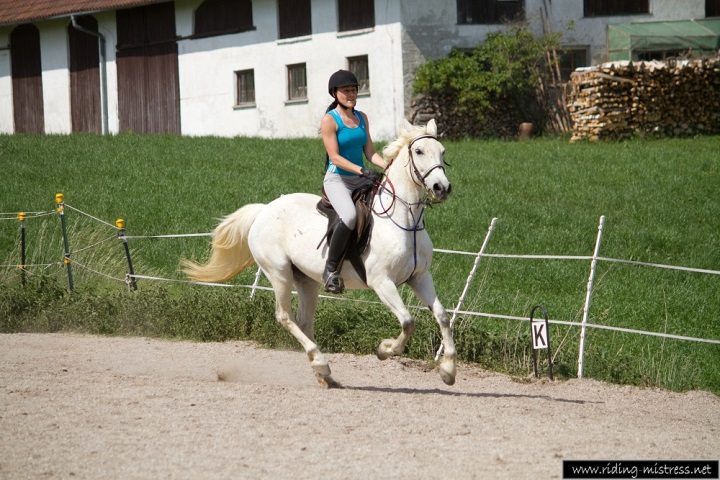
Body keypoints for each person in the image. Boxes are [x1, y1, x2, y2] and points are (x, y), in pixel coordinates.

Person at [321, 69, 387, 294]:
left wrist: (388, 165)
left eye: (353, 90)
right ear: (335, 93)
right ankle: (330, 270)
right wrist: (362, 171)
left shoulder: (362, 118)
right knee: (349, 216)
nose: (351, 94)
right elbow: (335, 157)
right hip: (337, 179)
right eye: (346, 90)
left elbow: (370, 152)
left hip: (359, 178)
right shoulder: (330, 120)